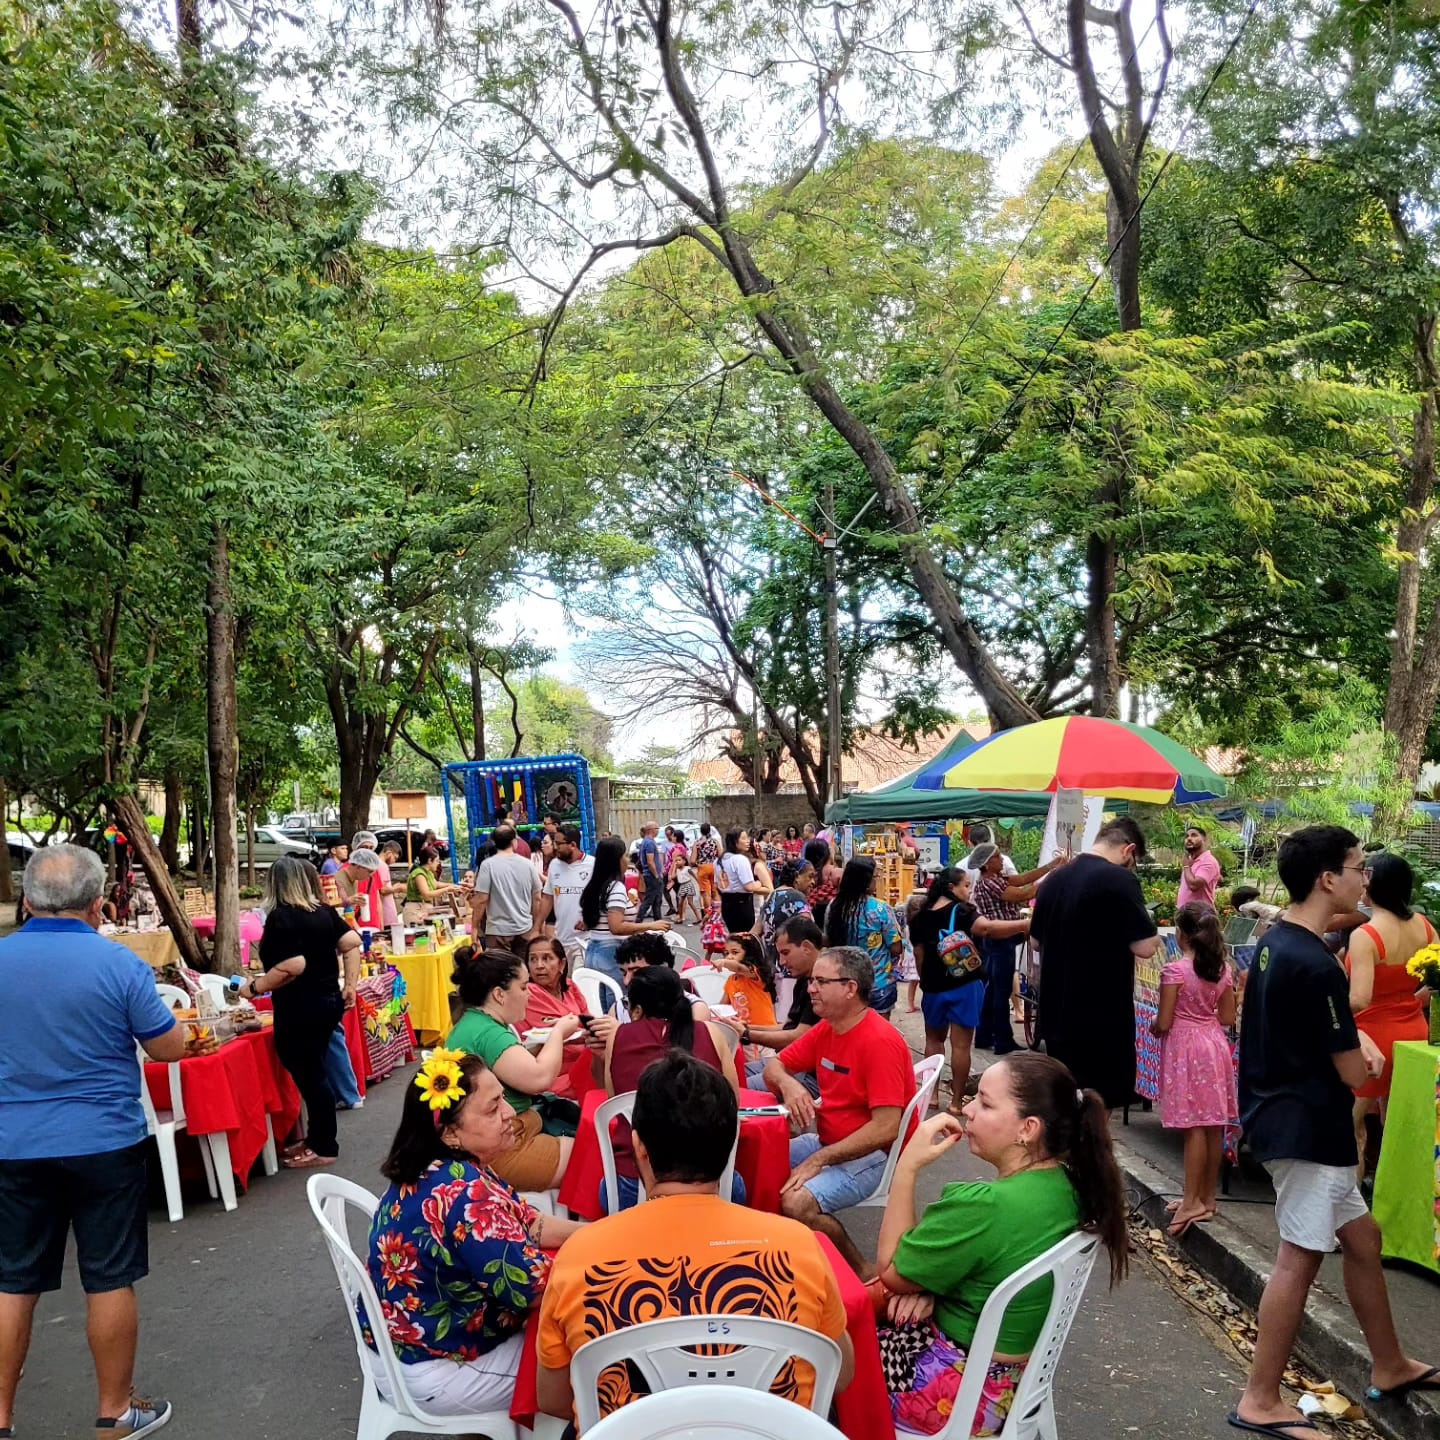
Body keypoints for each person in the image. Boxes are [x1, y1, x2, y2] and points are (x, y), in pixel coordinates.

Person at [1231, 825, 1436, 1440]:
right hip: (1307, 1129)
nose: (1362, 877)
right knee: (1299, 1256)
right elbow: (1352, 1065)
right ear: (1328, 878)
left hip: (1291, 1119)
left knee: (1364, 1238)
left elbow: (1334, 1024)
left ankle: (1391, 1363)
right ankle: (1259, 1398)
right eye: (1356, 866)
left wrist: (1359, 1040)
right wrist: (1366, 1057)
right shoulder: (1313, 960)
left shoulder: (1280, 942)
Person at [536, 1053, 854, 1424]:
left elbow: (555, 1398)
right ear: (731, 1142)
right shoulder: (799, 1245)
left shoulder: (580, 1257)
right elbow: (839, 1374)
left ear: (639, 1147)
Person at [0, 844, 183, 1440]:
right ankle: (115, 1410)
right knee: (108, 1275)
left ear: (26, 901)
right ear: (99, 905)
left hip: (13, 1142)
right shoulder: (118, 964)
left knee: (12, 1279)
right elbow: (168, 1047)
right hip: (104, 1141)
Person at [874, 1053, 1130, 1438]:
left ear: (1027, 1129)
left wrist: (907, 1165)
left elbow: (892, 1270)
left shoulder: (983, 1206)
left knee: (825, 1350)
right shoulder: (1073, 1188)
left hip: (947, 1391)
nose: (968, 1110)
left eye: (986, 1103)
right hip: (1011, 1389)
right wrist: (928, 1288)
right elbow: (996, 1263)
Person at [366, 1051, 581, 1415]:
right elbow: (532, 1289)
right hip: (439, 1367)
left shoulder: (442, 1167)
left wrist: (593, 1233)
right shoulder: (465, 1195)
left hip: (403, 1345)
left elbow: (526, 1220)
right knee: (590, 1359)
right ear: (450, 1132)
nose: (510, 1114)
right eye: (493, 1107)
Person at [763, 945, 916, 1278]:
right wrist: (790, 1086)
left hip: (875, 1154)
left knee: (796, 1202)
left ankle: (860, 1272)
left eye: (821, 981)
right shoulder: (829, 1027)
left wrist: (819, 1159)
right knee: (758, 1161)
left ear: (850, 989)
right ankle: (789, 1260)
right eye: (812, 980)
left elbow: (887, 1128)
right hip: (830, 1141)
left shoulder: (879, 1041)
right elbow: (774, 1066)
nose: (810, 988)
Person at [236, 856, 361, 1170]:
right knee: (315, 1071)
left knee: (311, 1076)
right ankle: (317, 1137)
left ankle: (324, 1145)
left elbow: (293, 965)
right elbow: (352, 941)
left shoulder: (281, 918)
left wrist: (254, 987)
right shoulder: (322, 911)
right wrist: (351, 985)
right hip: (328, 1001)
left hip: (300, 1007)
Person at [1031, 817, 1160, 1108]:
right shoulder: (1119, 879)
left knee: (1065, 1101)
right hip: (1100, 1018)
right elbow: (1145, 948)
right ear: (1128, 851)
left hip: (1054, 1013)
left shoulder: (1054, 879)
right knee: (1098, 1103)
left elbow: (1036, 941)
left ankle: (1068, 1154)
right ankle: (1093, 1153)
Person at [596, 967, 743, 1210]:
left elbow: (618, 1104)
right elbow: (732, 1104)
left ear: (637, 1009)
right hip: (713, 1188)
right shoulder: (711, 1033)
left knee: (603, 1186)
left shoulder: (619, 1036)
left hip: (629, 1186)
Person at [447, 947, 581, 1191]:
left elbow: (515, 1069)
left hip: (495, 1137)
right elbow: (539, 1078)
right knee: (591, 1156)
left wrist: (544, 1044)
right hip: (499, 1148)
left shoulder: (475, 1023)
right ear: (499, 994)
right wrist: (559, 1033)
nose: (529, 995)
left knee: (584, 1140)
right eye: (523, 987)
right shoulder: (489, 1033)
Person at [909, 867, 1029, 1118]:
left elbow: (919, 956)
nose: (969, 889)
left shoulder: (919, 917)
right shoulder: (962, 911)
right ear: (951, 888)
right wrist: (1026, 924)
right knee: (961, 1045)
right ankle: (955, 1102)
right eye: (965, 885)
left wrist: (926, 981)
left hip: (933, 988)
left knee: (934, 1041)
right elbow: (987, 928)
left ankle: (931, 1096)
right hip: (964, 985)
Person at [1152, 902, 1237, 1235]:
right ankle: (1207, 1198)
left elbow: (1164, 1020)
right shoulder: (1223, 970)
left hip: (1186, 1047)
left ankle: (1190, 1201)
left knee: (1194, 1127)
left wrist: (1155, 1029)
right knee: (1214, 1124)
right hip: (1215, 1044)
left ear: (1182, 934)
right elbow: (1228, 1018)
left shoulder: (1174, 971)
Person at [1347, 852, 1433, 1179]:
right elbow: (1435, 979)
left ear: (1373, 885)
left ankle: (1349, 1214)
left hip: (1371, 1039)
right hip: (1414, 1032)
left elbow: (1359, 998)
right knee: (1397, 1129)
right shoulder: (1423, 927)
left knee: (1351, 1129)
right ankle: (1393, 1199)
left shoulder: (1366, 936)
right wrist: (1412, 999)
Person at [970, 844, 1062, 1055]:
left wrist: (1050, 866)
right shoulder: (991, 883)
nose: (1002, 859)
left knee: (993, 989)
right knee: (1001, 991)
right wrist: (1054, 875)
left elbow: (1022, 880)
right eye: (997, 857)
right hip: (1001, 940)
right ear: (987, 864)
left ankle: (984, 1036)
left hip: (996, 941)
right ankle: (1003, 1040)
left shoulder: (995, 879)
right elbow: (1024, 893)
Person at [737, 915, 824, 1093]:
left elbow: (798, 1036)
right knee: (734, 1075)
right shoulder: (803, 980)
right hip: (794, 1063)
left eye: (785, 953)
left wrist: (747, 1034)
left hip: (811, 1074)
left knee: (738, 1088)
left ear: (807, 947)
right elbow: (787, 1027)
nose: (782, 962)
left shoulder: (821, 985)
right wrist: (746, 1027)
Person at [575, 835, 670, 996]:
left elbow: (595, 920)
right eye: (624, 855)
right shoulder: (615, 888)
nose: (627, 860)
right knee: (617, 1002)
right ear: (616, 860)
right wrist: (650, 926)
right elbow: (616, 926)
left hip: (593, 951)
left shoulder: (596, 886)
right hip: (611, 953)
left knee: (601, 1006)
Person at [824, 856, 903, 1016]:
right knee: (877, 1035)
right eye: (875, 876)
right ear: (865, 880)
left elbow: (828, 940)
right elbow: (896, 948)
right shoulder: (880, 909)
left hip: (845, 983)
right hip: (878, 984)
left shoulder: (834, 907)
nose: (877, 880)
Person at [523, 936, 590, 1098]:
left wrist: (581, 1028)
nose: (539, 966)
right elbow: (550, 1034)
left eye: (547, 958)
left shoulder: (570, 987)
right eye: (533, 959)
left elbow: (587, 1021)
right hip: (553, 1072)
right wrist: (580, 1029)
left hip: (583, 1060)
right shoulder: (529, 993)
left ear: (562, 964)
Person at [471, 825, 541, 959]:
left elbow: (481, 899)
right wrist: (536, 926)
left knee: (499, 973)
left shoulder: (488, 865)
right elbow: (537, 898)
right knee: (522, 971)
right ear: (514, 842)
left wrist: (475, 927)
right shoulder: (528, 865)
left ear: (494, 842)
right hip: (524, 928)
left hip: (498, 931)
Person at [534, 823, 593, 962]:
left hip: (585, 940)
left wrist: (589, 918)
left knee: (578, 980)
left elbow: (600, 898)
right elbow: (548, 897)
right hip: (561, 939)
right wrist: (537, 927)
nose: (555, 847)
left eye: (559, 844)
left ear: (573, 845)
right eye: (555, 843)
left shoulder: (593, 865)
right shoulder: (555, 865)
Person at [757, 857, 815, 975]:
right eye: (810, 876)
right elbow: (808, 932)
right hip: (792, 970)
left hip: (772, 968)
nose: (813, 882)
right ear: (797, 876)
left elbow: (755, 930)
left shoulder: (772, 895)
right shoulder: (797, 897)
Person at [720, 932, 778, 1047]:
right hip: (744, 1033)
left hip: (765, 1034)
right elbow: (722, 1006)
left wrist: (724, 963)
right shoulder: (731, 980)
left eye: (735, 952)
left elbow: (739, 967)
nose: (729, 957)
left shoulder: (755, 974)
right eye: (726, 953)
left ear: (749, 954)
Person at [717, 827, 766, 933]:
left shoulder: (719, 860)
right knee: (746, 937)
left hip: (726, 904)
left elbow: (718, 885)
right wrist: (759, 883)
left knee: (734, 936)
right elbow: (749, 887)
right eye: (743, 838)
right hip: (742, 905)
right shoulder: (740, 859)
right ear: (735, 842)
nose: (747, 840)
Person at [402, 845, 459, 923]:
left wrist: (453, 886)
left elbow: (436, 884)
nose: (438, 863)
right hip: (415, 910)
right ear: (429, 861)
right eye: (437, 861)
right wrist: (447, 889)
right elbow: (426, 894)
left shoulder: (429, 873)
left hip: (426, 909)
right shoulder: (419, 874)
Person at [1178, 824, 1223, 911]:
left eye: (1194, 835)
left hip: (1200, 915)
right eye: (1187, 836)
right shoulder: (1191, 861)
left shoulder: (1208, 861)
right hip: (1186, 914)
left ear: (1204, 840)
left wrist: (1186, 866)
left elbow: (1194, 885)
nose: (1189, 838)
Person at [960, 824, 1016, 893]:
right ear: (991, 840)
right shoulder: (1005, 860)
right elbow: (1017, 885)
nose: (1000, 859)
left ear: (970, 843)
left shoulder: (961, 865)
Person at [805, 836, 842, 929]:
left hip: (811, 919)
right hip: (833, 918)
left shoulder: (804, 873)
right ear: (827, 854)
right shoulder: (835, 872)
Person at [635, 821, 665, 922]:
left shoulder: (647, 841)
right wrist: (656, 875)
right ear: (651, 830)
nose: (658, 831)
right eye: (657, 829)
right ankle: (639, 919)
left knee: (657, 899)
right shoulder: (649, 843)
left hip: (651, 874)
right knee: (649, 899)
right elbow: (650, 861)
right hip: (652, 875)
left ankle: (658, 921)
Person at [693, 822, 720, 911]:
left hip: (702, 867)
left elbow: (692, 860)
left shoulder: (697, 843)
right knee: (714, 891)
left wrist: (696, 862)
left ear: (700, 831)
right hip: (713, 866)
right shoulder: (715, 842)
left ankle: (708, 913)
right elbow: (720, 855)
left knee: (705, 892)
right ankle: (717, 912)